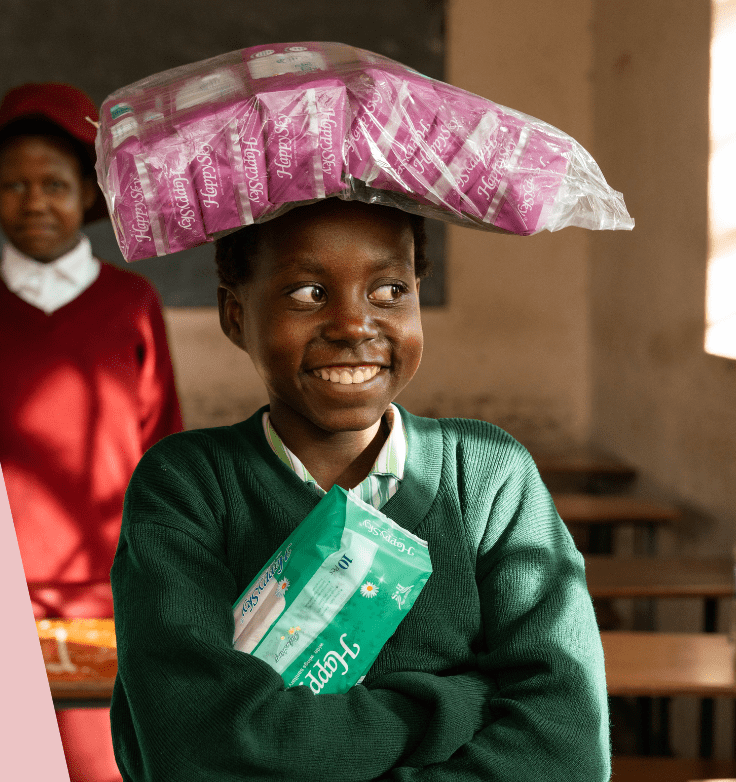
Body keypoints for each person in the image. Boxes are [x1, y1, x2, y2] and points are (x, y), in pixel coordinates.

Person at [109, 198, 608, 780]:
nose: (352, 324)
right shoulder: (186, 488)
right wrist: (458, 703)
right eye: (307, 293)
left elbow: (567, 748)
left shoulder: (490, 477)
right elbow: (197, 749)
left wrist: (278, 736)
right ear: (235, 315)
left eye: (389, 290)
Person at [0, 83, 185, 782]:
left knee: (100, 765)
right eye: (14, 184)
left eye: (52, 183)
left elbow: (160, 445)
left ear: (85, 193)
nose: (34, 199)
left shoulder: (130, 303)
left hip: (105, 597)